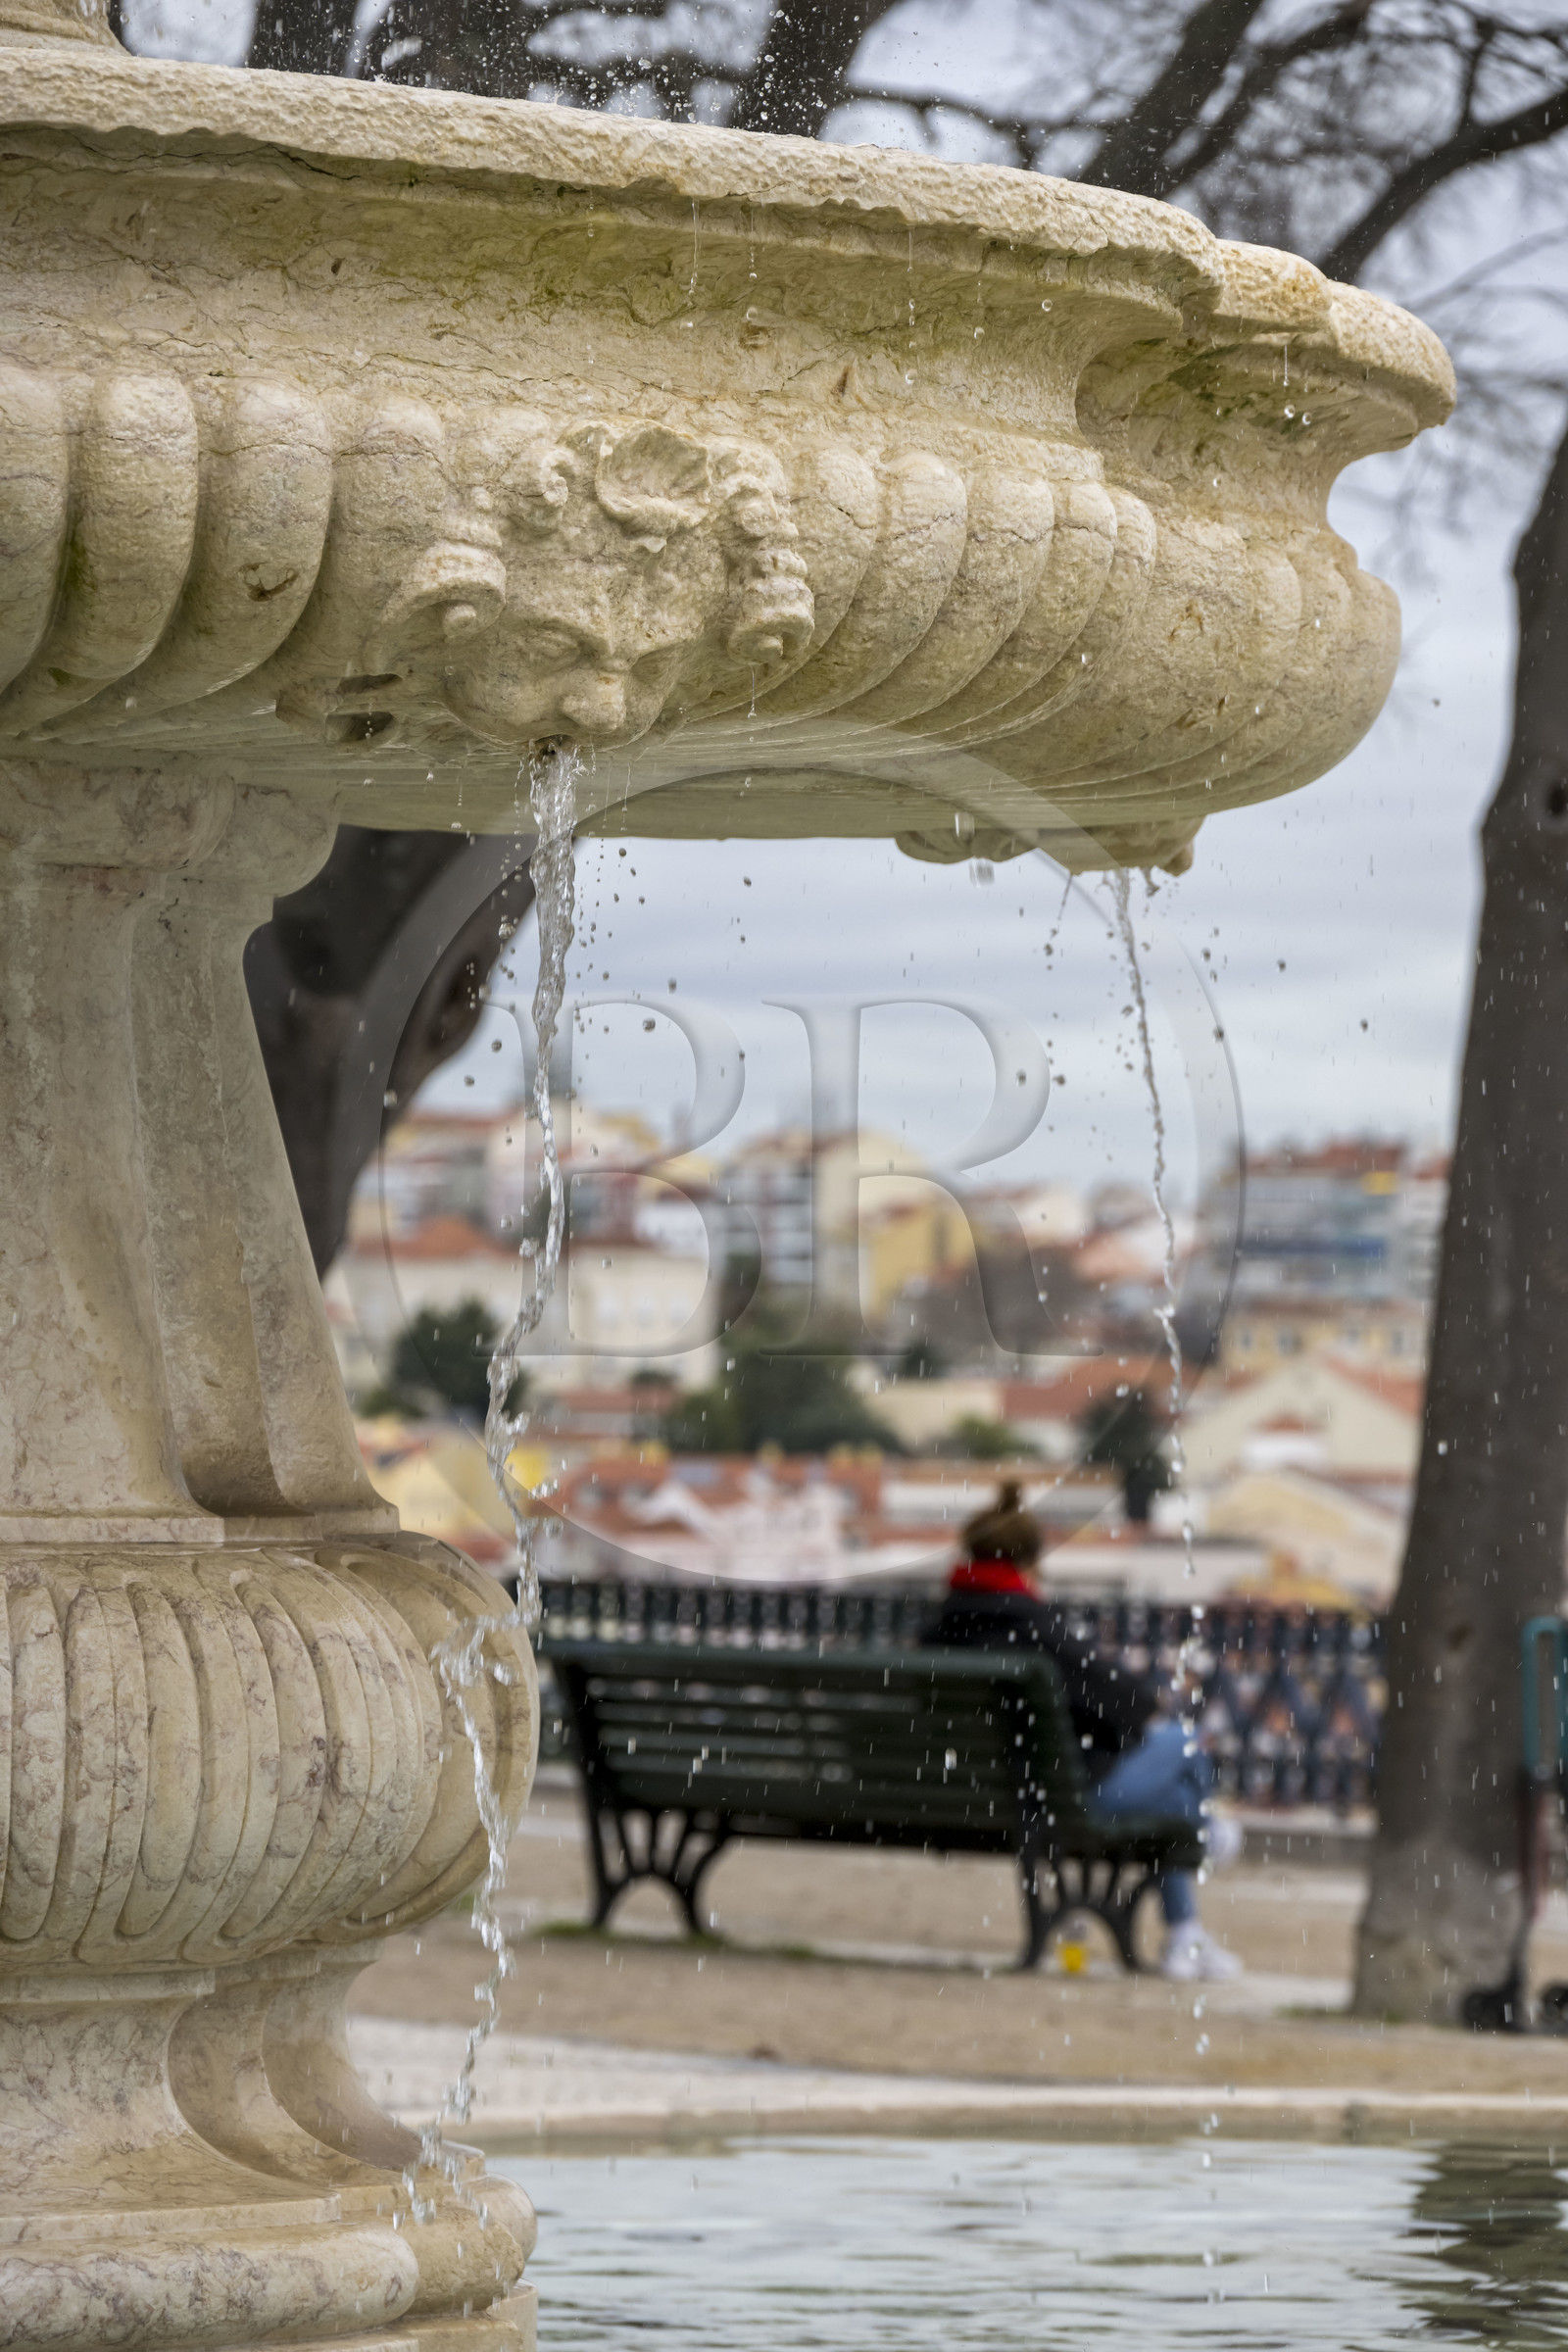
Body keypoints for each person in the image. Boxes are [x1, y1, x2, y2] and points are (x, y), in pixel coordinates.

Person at [927, 1480, 1242, 1982]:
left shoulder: (938, 1630)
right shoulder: (1032, 1627)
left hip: (970, 1801)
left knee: (1175, 1800)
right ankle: (1205, 1841)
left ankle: (1186, 1934)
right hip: (1055, 1803)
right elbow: (1132, 1703)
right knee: (1185, 1743)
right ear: (1030, 1563)